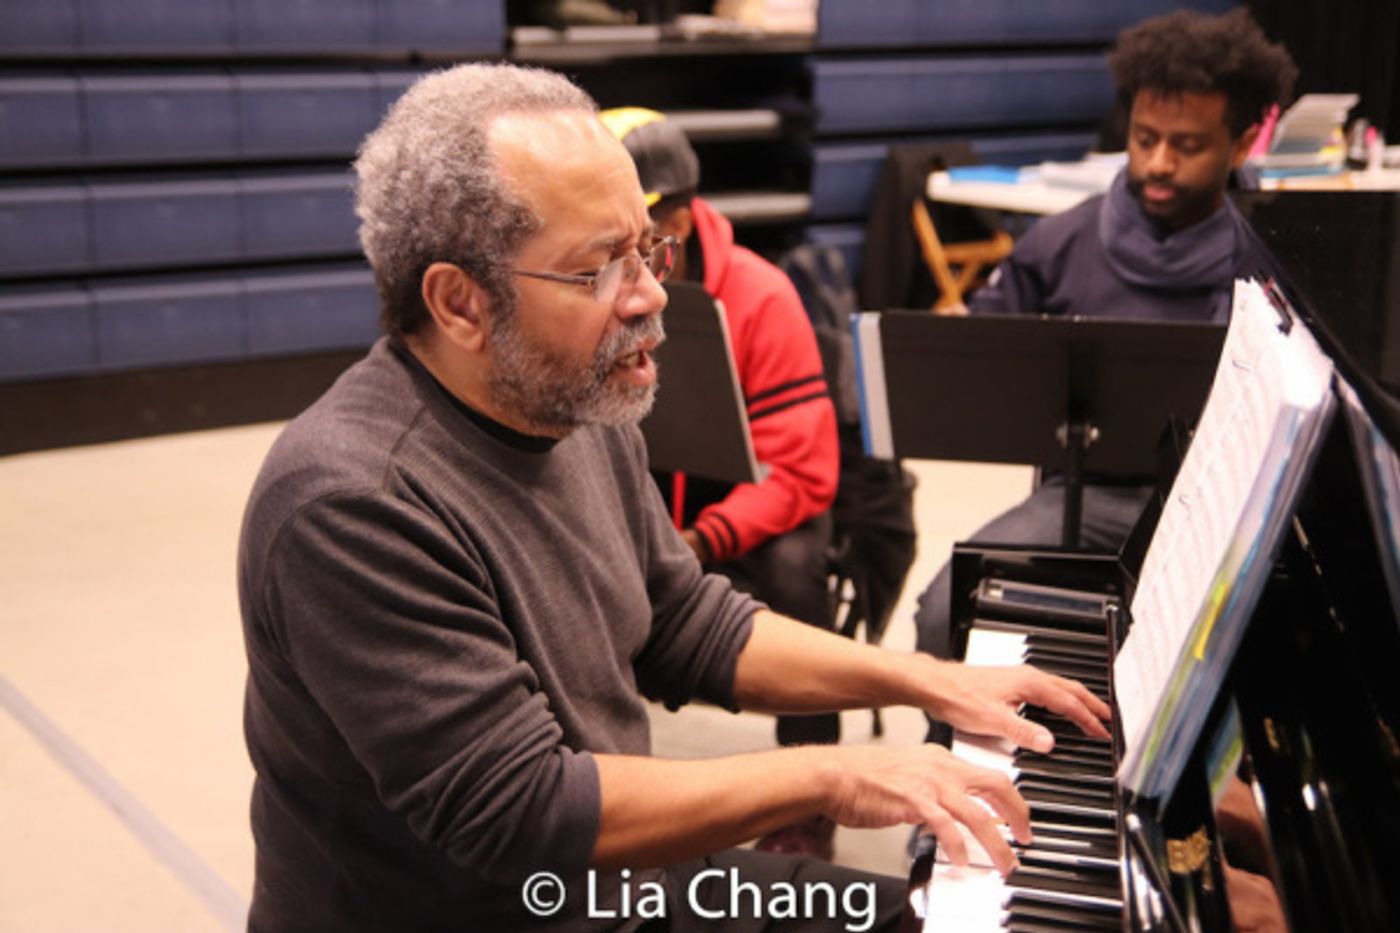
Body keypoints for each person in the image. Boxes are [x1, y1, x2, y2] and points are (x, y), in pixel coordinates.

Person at [237, 62, 1111, 931]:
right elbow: (526, 810)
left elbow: (687, 622)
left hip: (619, 887)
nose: (652, 293)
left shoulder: (575, 400)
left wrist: (929, 679)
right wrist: (831, 775)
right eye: (598, 269)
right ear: (459, 302)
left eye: (645, 248)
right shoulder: (351, 503)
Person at [913, 8, 1297, 667]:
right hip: (1084, 499)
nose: (1159, 162)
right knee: (943, 612)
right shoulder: (1062, 241)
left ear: (1239, 147)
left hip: (1222, 514)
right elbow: (979, 376)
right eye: (1144, 137)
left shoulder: (1273, 262)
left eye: (1188, 145)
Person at [602, 107, 845, 859]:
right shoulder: (590, 291)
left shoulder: (763, 294)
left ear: (678, 212)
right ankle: (593, 781)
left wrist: (704, 537)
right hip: (641, 503)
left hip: (734, 519)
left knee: (801, 572)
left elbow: (804, 469)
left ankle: (811, 797)